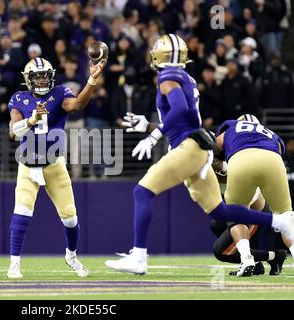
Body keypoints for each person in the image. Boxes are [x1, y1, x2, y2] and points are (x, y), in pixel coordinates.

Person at [104, 34, 294, 275]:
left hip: (187, 148)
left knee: (142, 192)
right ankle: (278, 221)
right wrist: (149, 126)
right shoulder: (187, 78)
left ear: (160, 55)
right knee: (220, 212)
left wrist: (155, 135)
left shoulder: (167, 76)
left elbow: (180, 109)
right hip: (198, 148)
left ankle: (139, 256)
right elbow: (190, 119)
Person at [7, 57, 105, 278]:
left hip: (54, 165)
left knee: (70, 217)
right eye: (37, 77)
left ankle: (71, 255)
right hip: (28, 165)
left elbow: (78, 105)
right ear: (28, 79)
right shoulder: (19, 98)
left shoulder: (60, 92)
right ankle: (14, 263)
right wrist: (31, 121)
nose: (41, 80)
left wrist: (91, 80)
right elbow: (12, 132)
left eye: (44, 76)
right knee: (22, 211)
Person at [210, 114, 292, 276]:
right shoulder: (269, 133)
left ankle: (247, 259)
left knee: (233, 221)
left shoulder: (230, 131)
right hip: (273, 160)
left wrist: (220, 165)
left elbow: (213, 149)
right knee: (286, 216)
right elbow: (280, 152)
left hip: (242, 164)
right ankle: (262, 259)